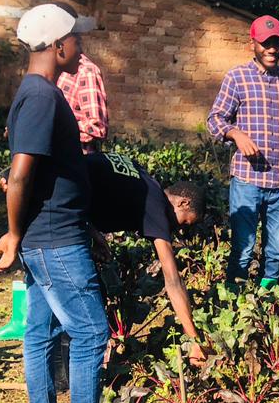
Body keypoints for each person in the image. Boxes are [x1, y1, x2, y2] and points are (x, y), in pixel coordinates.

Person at [0, 3, 147, 403]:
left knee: (39, 330)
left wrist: (81, 226)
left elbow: (47, 174)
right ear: (58, 46)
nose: (81, 45)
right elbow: (19, 176)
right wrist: (14, 233)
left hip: (52, 232)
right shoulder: (41, 97)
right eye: (76, 39)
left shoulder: (34, 93)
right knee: (91, 330)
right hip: (53, 240)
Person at [206, 15, 279, 289]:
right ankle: (236, 296)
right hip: (247, 180)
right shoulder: (237, 77)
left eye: (276, 42)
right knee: (243, 244)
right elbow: (215, 119)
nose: (272, 49)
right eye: (265, 43)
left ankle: (268, 295)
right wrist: (235, 133)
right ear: (252, 44)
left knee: (275, 246)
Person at [85, 153, 207, 364]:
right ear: (183, 203)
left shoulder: (146, 182)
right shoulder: (157, 208)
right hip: (54, 211)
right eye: (185, 223)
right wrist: (194, 339)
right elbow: (173, 280)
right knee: (85, 310)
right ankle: (68, 374)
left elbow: (90, 180)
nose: (179, 230)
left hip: (55, 188)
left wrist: (92, 232)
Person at [54, 3, 109, 154]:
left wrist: (53, 126)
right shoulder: (53, 70)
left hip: (74, 161)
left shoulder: (86, 71)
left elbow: (97, 129)